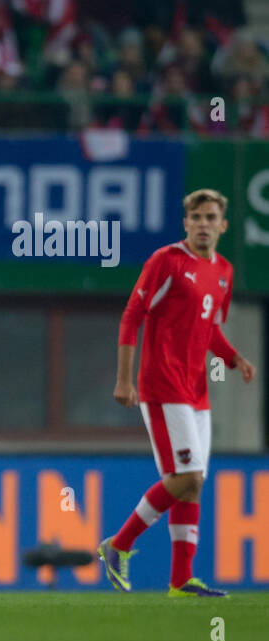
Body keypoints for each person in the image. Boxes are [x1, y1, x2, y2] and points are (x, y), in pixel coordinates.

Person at [101, 188, 257, 597]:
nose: (204, 225)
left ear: (223, 226)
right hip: (162, 384)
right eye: (196, 217)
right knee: (184, 476)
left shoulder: (223, 270)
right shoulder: (166, 261)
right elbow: (132, 315)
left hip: (197, 390)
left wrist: (234, 358)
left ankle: (180, 580)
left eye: (211, 218)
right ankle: (118, 545)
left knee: (194, 482)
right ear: (185, 223)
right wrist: (124, 378)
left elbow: (210, 330)